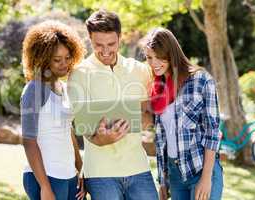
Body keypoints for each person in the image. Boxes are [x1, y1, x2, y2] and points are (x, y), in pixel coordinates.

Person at [67, 10, 158, 200]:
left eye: (111, 44)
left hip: (138, 167)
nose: (106, 51)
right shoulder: (79, 74)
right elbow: (83, 126)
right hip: (101, 172)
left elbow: (149, 114)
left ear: (120, 37)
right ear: (89, 39)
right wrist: (102, 139)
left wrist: (141, 121)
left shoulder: (140, 70)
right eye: (98, 45)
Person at [144, 27, 223, 200]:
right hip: (175, 175)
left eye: (159, 57)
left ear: (171, 54)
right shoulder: (157, 90)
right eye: (150, 57)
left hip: (200, 169)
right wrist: (163, 182)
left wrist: (206, 177)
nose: (154, 63)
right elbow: (162, 140)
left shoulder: (201, 80)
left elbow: (213, 133)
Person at [21, 20, 86, 200]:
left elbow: (68, 131)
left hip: (69, 175)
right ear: (42, 58)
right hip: (46, 177)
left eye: (67, 58)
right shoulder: (34, 88)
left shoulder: (64, 87)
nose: (63, 64)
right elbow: (28, 140)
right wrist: (45, 187)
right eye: (57, 60)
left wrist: (80, 169)